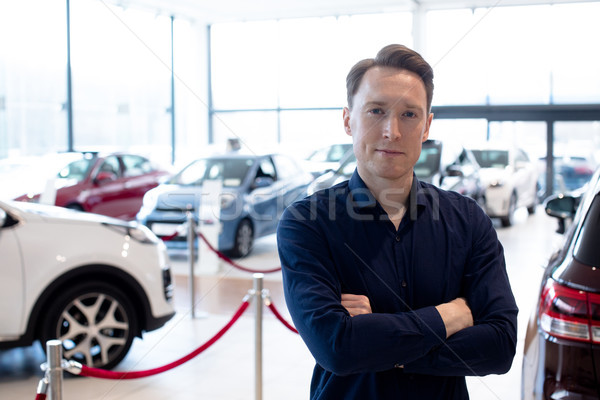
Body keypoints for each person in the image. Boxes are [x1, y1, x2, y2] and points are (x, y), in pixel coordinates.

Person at [276, 44, 518, 399]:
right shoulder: (307, 223)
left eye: (409, 114)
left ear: (427, 126)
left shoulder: (467, 220)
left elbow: (500, 345)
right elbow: (337, 348)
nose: (392, 131)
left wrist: (380, 338)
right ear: (348, 120)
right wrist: (452, 315)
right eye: (376, 111)